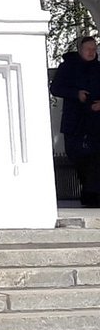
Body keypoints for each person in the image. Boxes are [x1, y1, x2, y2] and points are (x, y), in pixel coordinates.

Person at [51, 35, 100, 206]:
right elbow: (56, 88)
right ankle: (88, 191)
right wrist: (76, 94)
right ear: (80, 50)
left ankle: (93, 195)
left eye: (94, 49)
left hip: (96, 122)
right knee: (79, 158)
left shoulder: (98, 68)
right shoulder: (68, 68)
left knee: (96, 159)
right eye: (88, 49)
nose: (91, 52)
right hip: (75, 122)